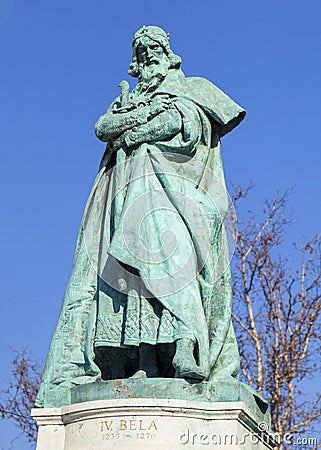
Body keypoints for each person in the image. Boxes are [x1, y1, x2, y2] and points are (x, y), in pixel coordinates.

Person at [35, 26, 246, 408]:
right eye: (142, 50)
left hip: (174, 196)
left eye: (155, 48)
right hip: (122, 197)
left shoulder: (191, 89)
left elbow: (180, 125)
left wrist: (133, 133)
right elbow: (102, 128)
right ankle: (140, 358)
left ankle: (187, 345)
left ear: (168, 53)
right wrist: (132, 121)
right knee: (127, 281)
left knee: (168, 261)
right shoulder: (127, 100)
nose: (148, 55)